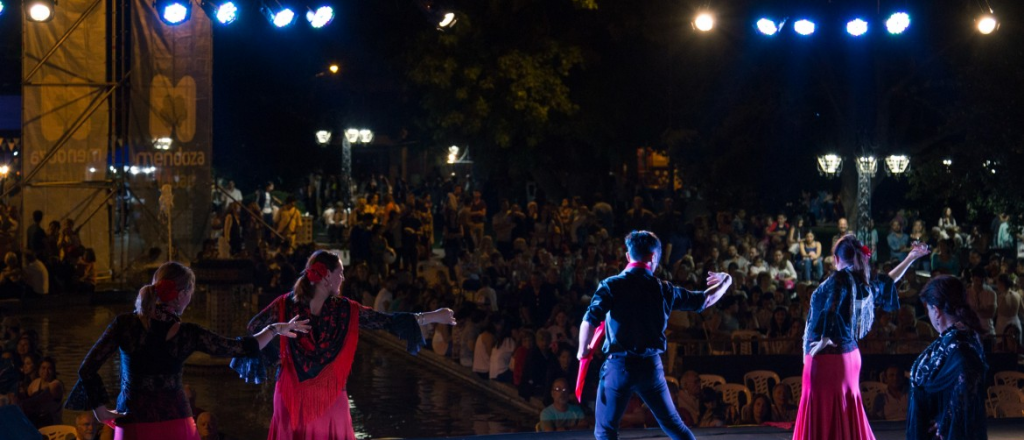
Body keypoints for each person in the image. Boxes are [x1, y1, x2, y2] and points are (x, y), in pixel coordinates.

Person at [65, 261, 310, 440]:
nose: (190, 300)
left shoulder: (124, 324)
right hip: (177, 424)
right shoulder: (188, 333)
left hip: (133, 424)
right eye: (190, 294)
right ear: (181, 295)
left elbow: (87, 369)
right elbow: (243, 347)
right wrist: (276, 328)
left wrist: (99, 409)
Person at [235, 250, 456, 439]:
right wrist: (432, 316)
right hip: (329, 400)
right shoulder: (346, 310)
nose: (343, 279)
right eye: (341, 273)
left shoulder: (284, 304)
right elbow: (386, 321)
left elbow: (254, 327)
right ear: (328, 276)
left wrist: (276, 357)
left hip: (290, 395)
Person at [578, 230, 733, 440]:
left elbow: (590, 318)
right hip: (650, 368)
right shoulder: (664, 289)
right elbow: (703, 301)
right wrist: (726, 281)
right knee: (674, 426)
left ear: (627, 257)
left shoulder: (611, 285)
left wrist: (582, 350)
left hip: (618, 367)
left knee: (605, 431)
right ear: (654, 258)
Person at [793, 234, 928, 440]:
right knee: (845, 413)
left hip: (828, 358)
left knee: (825, 412)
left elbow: (832, 308)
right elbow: (888, 280)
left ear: (836, 258)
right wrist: (910, 258)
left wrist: (823, 340)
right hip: (850, 356)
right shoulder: (861, 281)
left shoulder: (839, 279)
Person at [907, 276, 988, 440]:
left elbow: (968, 378)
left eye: (928, 309)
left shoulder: (960, 344)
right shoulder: (963, 338)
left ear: (936, 311)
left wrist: (947, 419)